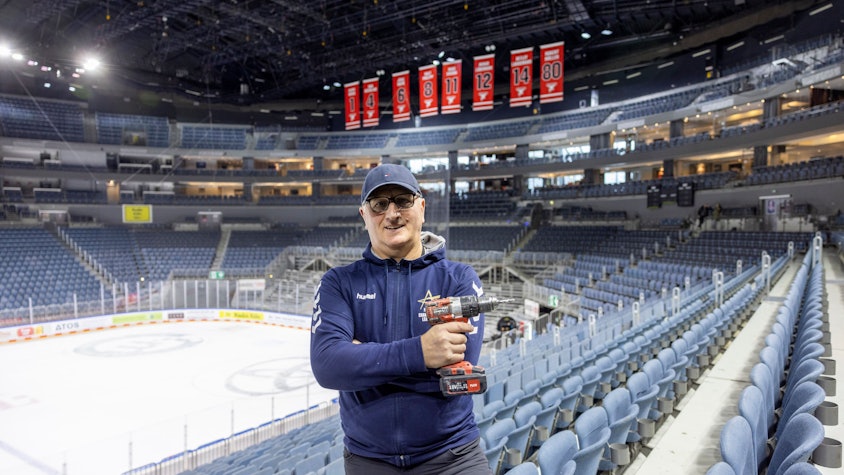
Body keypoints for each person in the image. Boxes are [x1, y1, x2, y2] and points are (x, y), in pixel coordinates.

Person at [310, 163, 492, 475]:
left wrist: (362, 357)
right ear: (364, 215)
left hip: (454, 456)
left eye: (403, 201)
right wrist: (422, 352)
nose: (392, 213)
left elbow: (456, 374)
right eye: (379, 204)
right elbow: (329, 366)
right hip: (369, 461)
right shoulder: (338, 283)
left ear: (421, 208)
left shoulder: (460, 278)